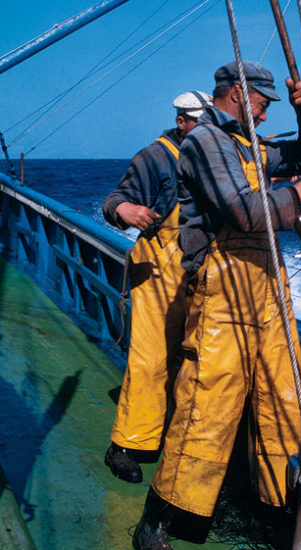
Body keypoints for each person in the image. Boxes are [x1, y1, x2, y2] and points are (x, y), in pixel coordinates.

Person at [132, 61, 301, 550]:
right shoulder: (205, 141)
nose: (266, 118)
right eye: (264, 106)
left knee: (283, 402)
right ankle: (157, 521)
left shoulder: (250, 146)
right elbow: (243, 211)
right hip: (223, 287)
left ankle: (278, 511)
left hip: (270, 285)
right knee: (208, 403)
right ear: (240, 95)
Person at [102, 91, 213, 483]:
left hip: (200, 271)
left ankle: (180, 441)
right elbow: (115, 200)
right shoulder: (155, 157)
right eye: (199, 122)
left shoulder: (218, 155)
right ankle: (126, 445)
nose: (206, 129)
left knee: (198, 360)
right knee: (150, 360)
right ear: (182, 121)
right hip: (157, 273)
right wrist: (124, 210)